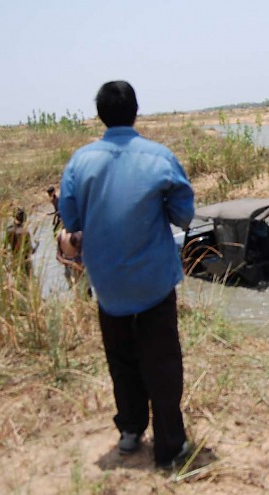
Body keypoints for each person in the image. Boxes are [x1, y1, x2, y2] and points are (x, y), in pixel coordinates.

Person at [59, 81, 195, 470]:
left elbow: (71, 220)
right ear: (136, 111)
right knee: (162, 361)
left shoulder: (80, 162)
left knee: (121, 359)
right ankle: (170, 445)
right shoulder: (159, 156)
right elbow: (183, 214)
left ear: (101, 115)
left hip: (108, 286)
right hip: (153, 280)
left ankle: (130, 431)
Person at [56, 229, 90, 297]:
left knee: (76, 293)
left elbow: (58, 257)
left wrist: (68, 262)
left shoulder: (60, 235)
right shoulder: (78, 234)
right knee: (86, 293)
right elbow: (79, 255)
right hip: (79, 268)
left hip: (68, 268)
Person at [5, 208, 35, 277]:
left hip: (14, 261)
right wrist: (37, 245)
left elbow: (4, 249)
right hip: (25, 263)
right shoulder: (25, 232)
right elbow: (30, 250)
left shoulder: (9, 230)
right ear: (24, 219)